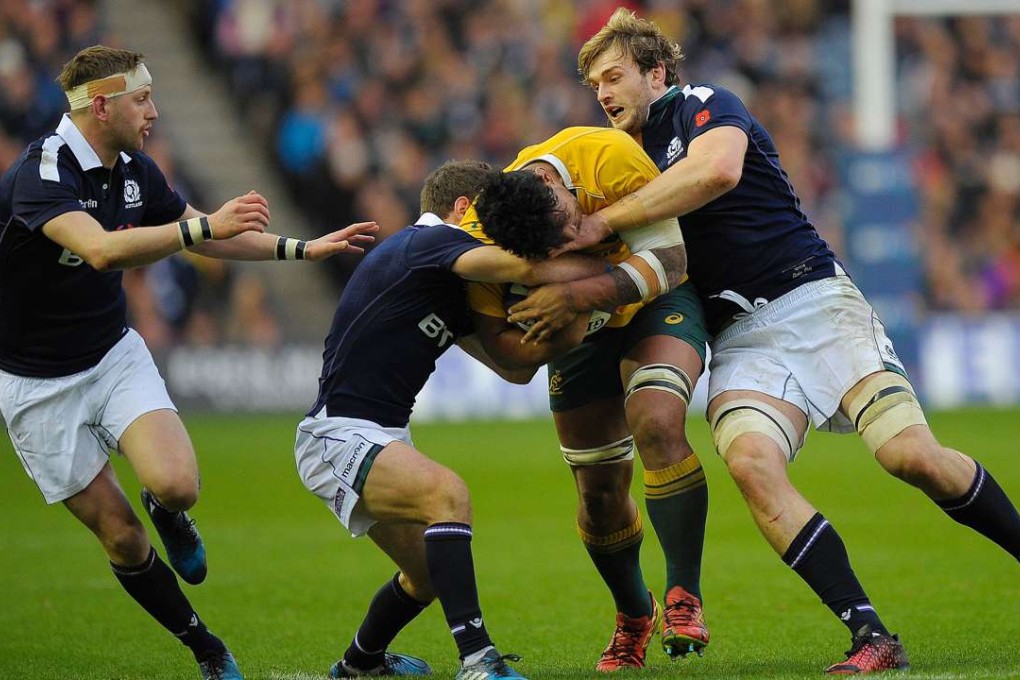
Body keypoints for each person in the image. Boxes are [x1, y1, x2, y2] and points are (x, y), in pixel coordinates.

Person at [510, 8, 1020, 674]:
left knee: (910, 457)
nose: (604, 94)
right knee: (751, 464)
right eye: (594, 84)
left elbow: (717, 173)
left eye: (615, 76)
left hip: (813, 303)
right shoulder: (616, 161)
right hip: (741, 338)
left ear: (656, 73)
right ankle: (870, 635)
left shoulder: (703, 103)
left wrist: (600, 220)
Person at [0, 46, 377, 680]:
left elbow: (209, 229)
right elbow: (99, 251)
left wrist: (301, 249)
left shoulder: (132, 170)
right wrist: (203, 232)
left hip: (110, 355)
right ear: (102, 104)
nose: (152, 110)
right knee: (120, 538)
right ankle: (204, 646)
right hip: (36, 384)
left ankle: (167, 511)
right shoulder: (43, 171)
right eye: (141, 99)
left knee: (177, 484)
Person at [294, 160, 615, 680]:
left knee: (425, 575)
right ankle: (478, 660)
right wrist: (617, 270)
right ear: (464, 211)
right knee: (449, 495)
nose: (501, 234)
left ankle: (359, 664)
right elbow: (529, 269)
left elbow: (510, 369)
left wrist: (572, 322)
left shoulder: (443, 276)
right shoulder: (426, 243)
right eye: (492, 219)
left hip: (376, 434)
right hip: (338, 434)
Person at [460, 125, 713, 672]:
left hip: (656, 303)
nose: (571, 240)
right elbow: (507, 361)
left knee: (657, 420)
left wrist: (571, 292)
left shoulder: (609, 157)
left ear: (555, 183)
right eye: (548, 251)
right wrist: (560, 327)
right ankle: (633, 615)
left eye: (570, 227)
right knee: (598, 492)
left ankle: (683, 597)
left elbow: (670, 261)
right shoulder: (480, 233)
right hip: (574, 332)